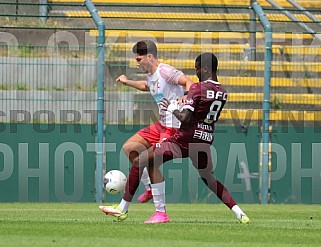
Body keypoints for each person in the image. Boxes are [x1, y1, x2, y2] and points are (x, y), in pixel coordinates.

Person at [100, 52, 250, 224]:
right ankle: (240, 213)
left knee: (140, 160)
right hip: (204, 141)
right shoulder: (222, 92)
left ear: (206, 68)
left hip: (184, 140)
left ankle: (124, 209)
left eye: (197, 68)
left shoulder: (197, 88)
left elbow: (185, 118)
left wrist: (172, 108)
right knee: (209, 178)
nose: (196, 72)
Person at [114, 40, 194, 203]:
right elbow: (146, 86)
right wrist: (126, 81)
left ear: (149, 57)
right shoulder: (151, 76)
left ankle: (159, 209)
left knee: (149, 161)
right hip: (162, 124)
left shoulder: (165, 71)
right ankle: (149, 188)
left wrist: (186, 95)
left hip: (175, 127)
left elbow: (189, 81)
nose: (137, 63)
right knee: (129, 148)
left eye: (139, 59)